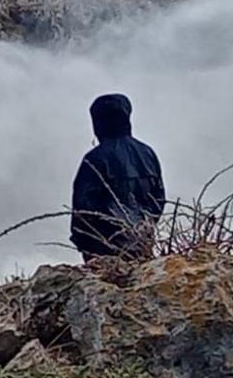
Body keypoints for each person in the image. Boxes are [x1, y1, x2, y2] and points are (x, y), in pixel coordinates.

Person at [71, 93, 166, 262]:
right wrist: (144, 228)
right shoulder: (148, 154)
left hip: (102, 248)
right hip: (141, 243)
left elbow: (84, 208)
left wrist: (83, 241)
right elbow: (158, 199)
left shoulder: (95, 159)